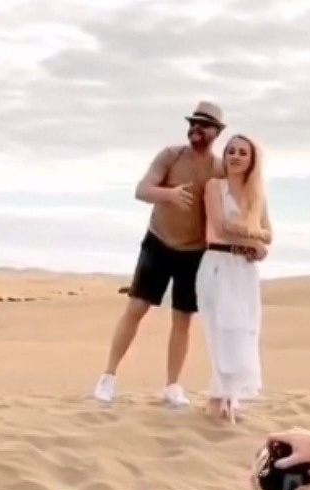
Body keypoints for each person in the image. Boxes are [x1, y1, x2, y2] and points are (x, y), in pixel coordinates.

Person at [93, 101, 226, 408]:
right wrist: (169, 194)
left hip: (194, 253)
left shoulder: (218, 168)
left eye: (203, 124)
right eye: (193, 122)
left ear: (216, 132)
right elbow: (141, 190)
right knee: (137, 308)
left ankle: (172, 386)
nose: (196, 128)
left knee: (183, 319)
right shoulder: (170, 155)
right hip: (158, 242)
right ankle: (108, 377)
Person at [196, 134, 272, 424]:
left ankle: (230, 397)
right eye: (231, 151)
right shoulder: (215, 186)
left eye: (243, 152)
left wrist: (254, 243)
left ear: (252, 159)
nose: (236, 156)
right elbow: (220, 226)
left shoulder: (256, 195)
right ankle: (216, 399)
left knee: (243, 331)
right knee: (220, 331)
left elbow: (269, 233)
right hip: (218, 263)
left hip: (244, 269)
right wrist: (255, 241)